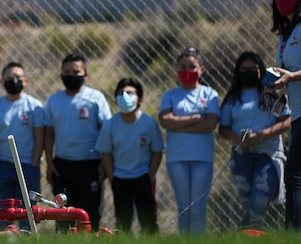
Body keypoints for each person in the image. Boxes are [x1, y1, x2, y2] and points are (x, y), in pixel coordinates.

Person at [218, 51, 290, 230]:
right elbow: (223, 130)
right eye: (244, 69)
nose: (248, 72)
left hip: (269, 155)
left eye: (253, 68)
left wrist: (261, 135)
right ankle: (251, 235)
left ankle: (245, 233)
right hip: (241, 157)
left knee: (258, 202)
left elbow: (286, 121)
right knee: (248, 204)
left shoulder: (273, 94)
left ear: (261, 70)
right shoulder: (232, 99)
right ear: (237, 72)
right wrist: (238, 138)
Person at [44, 53, 112, 232]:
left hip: (91, 167)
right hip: (62, 167)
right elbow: (48, 134)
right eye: (66, 72)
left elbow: (106, 132)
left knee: (89, 218)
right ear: (60, 75)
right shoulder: (53, 101)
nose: (71, 75)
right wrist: (49, 162)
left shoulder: (96, 98)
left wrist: (105, 164)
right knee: (63, 218)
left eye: (76, 71)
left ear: (86, 75)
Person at [158, 47, 220, 234]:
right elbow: (165, 120)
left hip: (202, 158)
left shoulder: (210, 94)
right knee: (184, 208)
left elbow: (210, 124)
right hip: (177, 158)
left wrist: (178, 123)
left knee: (198, 208)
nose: (187, 71)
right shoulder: (170, 95)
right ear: (176, 69)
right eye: (182, 67)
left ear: (202, 69)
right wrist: (194, 118)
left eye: (192, 66)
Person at [0, 61, 44, 232]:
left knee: (28, 215)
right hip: (3, 167)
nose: (13, 80)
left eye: (17, 76)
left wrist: (34, 164)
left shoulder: (35, 106)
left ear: (25, 81)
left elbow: (40, 138)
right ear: (2, 81)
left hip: (28, 168)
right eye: (9, 77)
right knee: (3, 216)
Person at [95, 78, 163, 234]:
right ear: (116, 98)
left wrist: (149, 176)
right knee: (123, 221)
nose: (125, 96)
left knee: (148, 220)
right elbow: (106, 153)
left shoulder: (149, 123)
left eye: (130, 93)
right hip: (120, 178)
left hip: (143, 177)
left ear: (140, 99)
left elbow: (157, 152)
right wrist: (113, 178)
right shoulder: (110, 125)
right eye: (121, 93)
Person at [269, 0, 301, 229]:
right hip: (297, 114)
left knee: (295, 177)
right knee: (294, 178)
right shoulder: (284, 35)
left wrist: (292, 77)